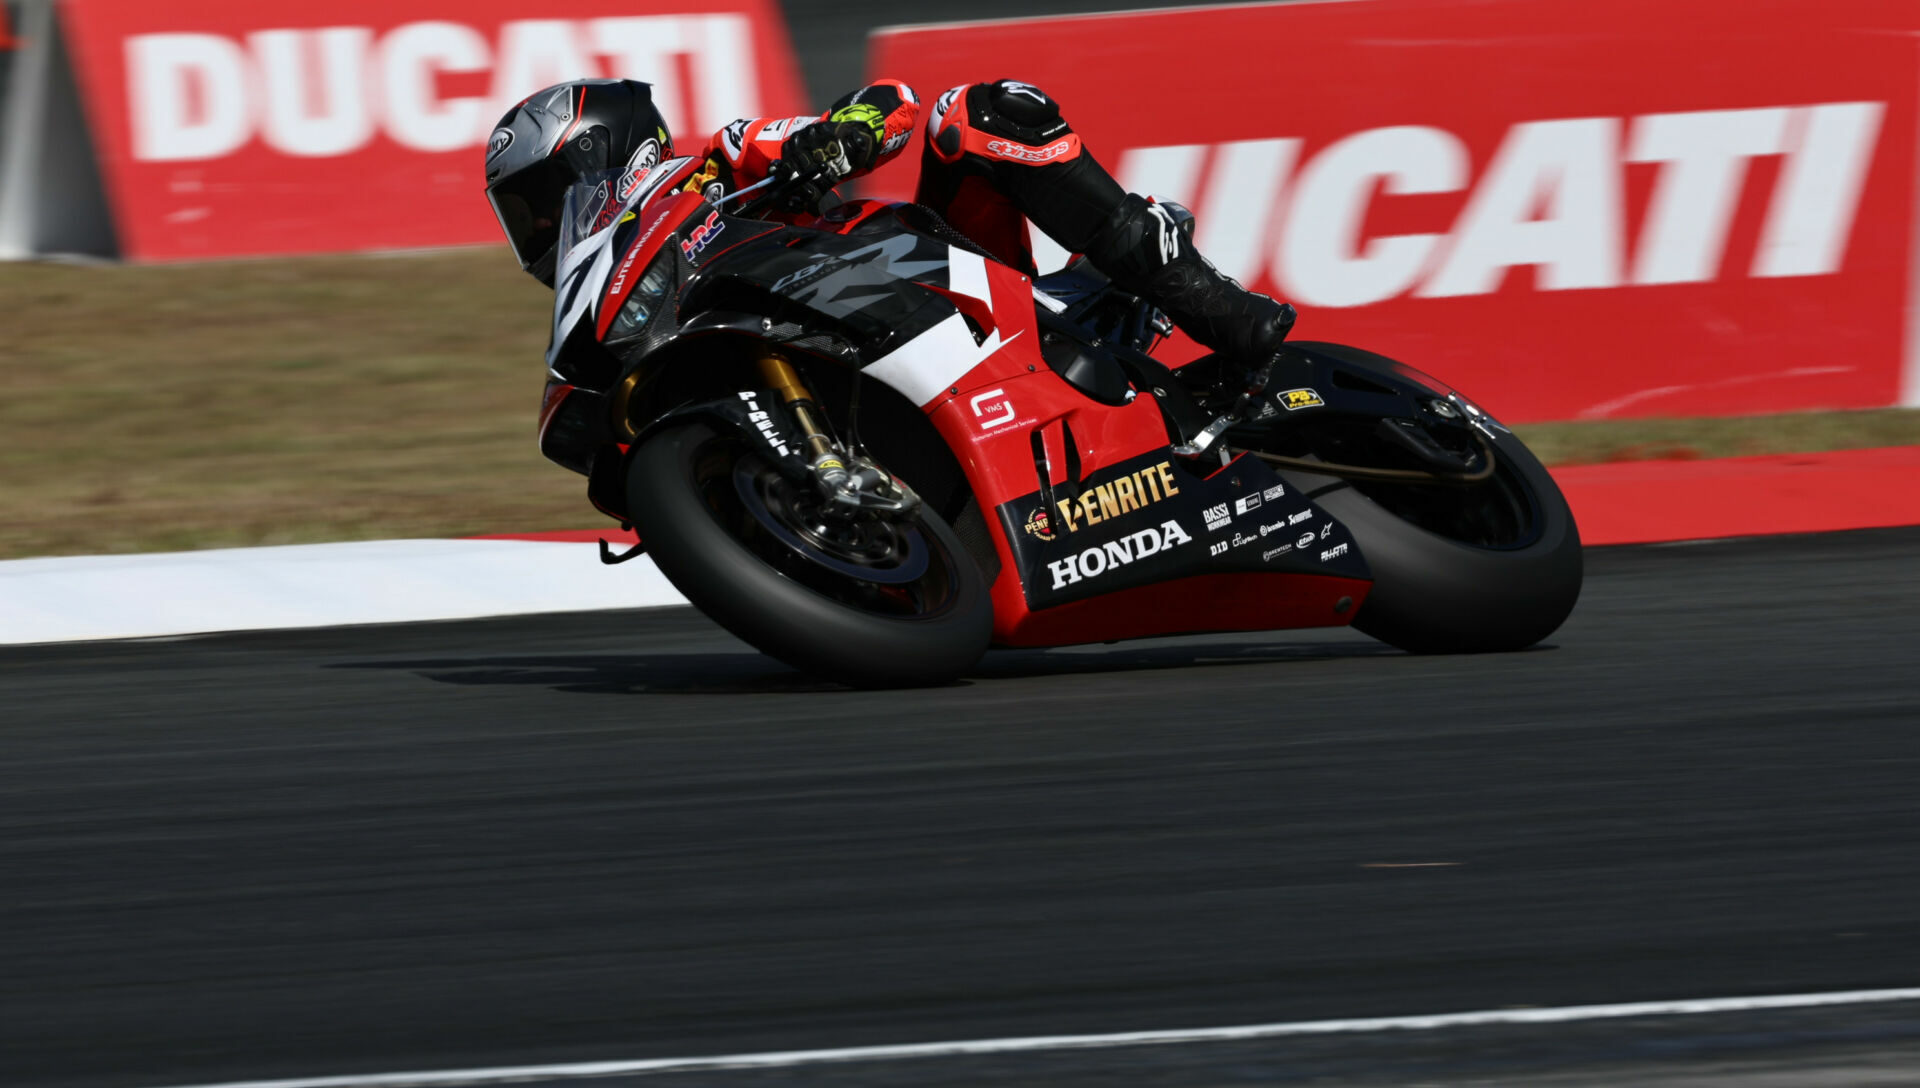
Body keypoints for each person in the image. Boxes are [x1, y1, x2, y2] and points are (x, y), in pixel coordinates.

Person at [484, 77, 1295, 400]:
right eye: (526, 221)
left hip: (944, 282)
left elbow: (891, 102)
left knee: (973, 114)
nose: (542, 232)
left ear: (595, 151)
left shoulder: (721, 158)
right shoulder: (617, 296)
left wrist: (836, 138)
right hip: (859, 366)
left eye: (539, 205)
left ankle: (1219, 309)